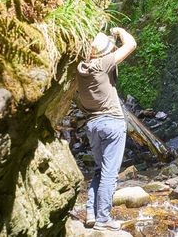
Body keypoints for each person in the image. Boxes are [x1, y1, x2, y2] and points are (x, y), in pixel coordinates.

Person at [76, 27, 136, 231]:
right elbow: (131, 44)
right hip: (112, 124)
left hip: (92, 126)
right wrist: (119, 31)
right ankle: (103, 220)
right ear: (104, 53)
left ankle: (91, 213)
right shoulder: (103, 65)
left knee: (100, 170)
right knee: (110, 174)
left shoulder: (81, 68)